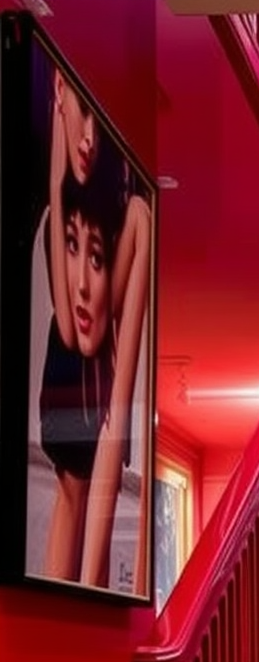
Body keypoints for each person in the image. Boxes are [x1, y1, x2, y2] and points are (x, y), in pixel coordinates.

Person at [40, 69, 151, 591]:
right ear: (59, 94)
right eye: (78, 111)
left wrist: (93, 590)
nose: (88, 137)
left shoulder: (134, 220)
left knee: (87, 502)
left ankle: (85, 603)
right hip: (65, 384)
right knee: (69, 490)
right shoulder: (55, 221)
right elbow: (67, 322)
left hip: (101, 396)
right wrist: (57, 172)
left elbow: (119, 399)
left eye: (96, 120)